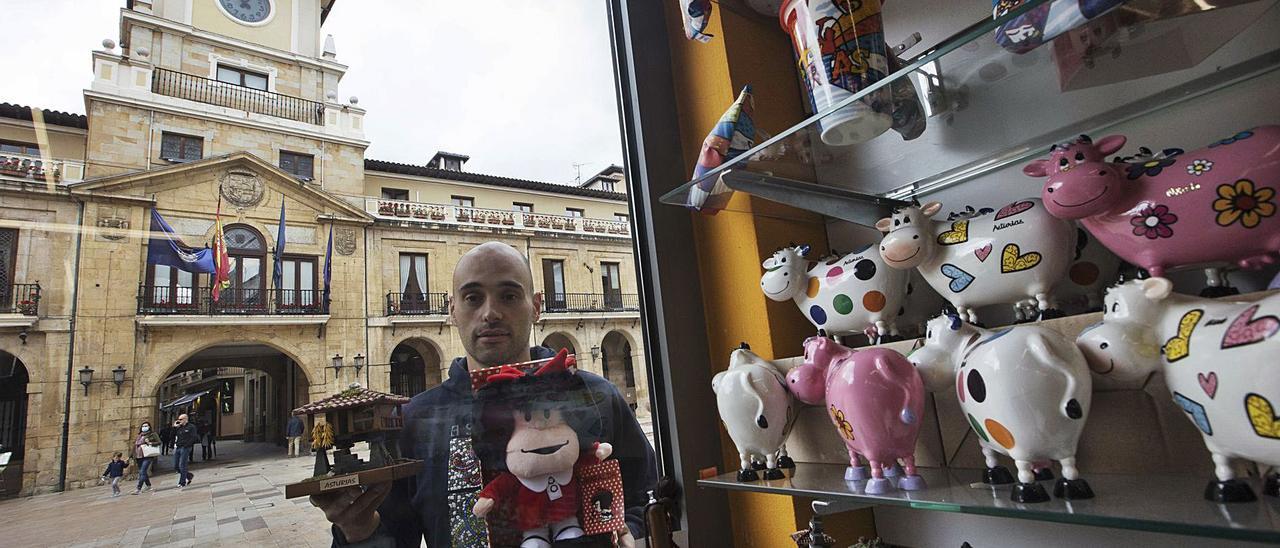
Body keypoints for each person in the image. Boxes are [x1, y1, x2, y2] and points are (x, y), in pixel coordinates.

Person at [312, 242, 656, 547]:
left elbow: (645, 495)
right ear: (452, 309)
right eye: (473, 298)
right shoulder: (415, 421)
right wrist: (357, 529)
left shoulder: (595, 396)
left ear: (536, 306)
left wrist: (632, 532)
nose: (490, 313)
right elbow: (392, 535)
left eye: (508, 295)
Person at [131, 421, 161, 495]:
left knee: (142, 472)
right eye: (143, 426)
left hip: (147, 455)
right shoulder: (139, 435)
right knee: (143, 472)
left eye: (146, 426)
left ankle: (138, 488)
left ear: (149, 427)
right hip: (139, 456)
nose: (144, 427)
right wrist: (131, 455)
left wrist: (150, 442)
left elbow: (159, 442)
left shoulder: (152, 434)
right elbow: (135, 446)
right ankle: (148, 486)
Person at [172, 413, 199, 487]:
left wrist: (187, 445)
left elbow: (194, 437)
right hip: (178, 447)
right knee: (176, 466)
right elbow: (172, 436)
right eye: (178, 419)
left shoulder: (191, 427)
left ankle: (182, 482)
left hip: (185, 447)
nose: (179, 421)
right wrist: (174, 427)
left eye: (180, 419)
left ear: (185, 419)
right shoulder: (179, 428)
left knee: (182, 465)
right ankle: (189, 475)